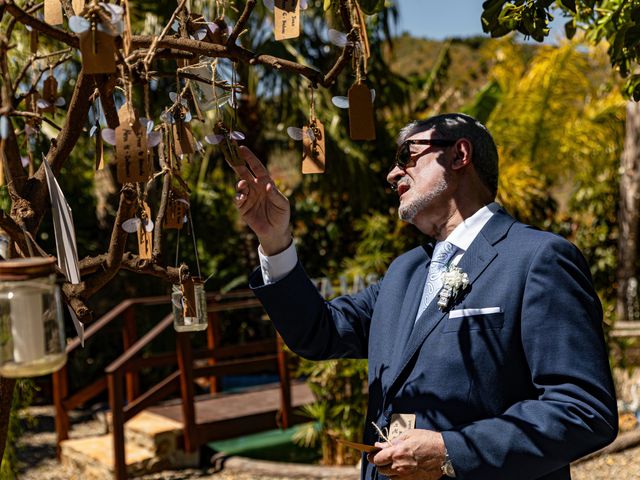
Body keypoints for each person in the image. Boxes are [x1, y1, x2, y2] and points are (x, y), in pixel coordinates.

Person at [232, 113, 618, 479]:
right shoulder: (404, 271)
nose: (392, 173)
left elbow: (582, 410)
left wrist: (453, 451)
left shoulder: (538, 258)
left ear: (459, 155)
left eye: (407, 156)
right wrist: (274, 240)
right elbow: (319, 331)